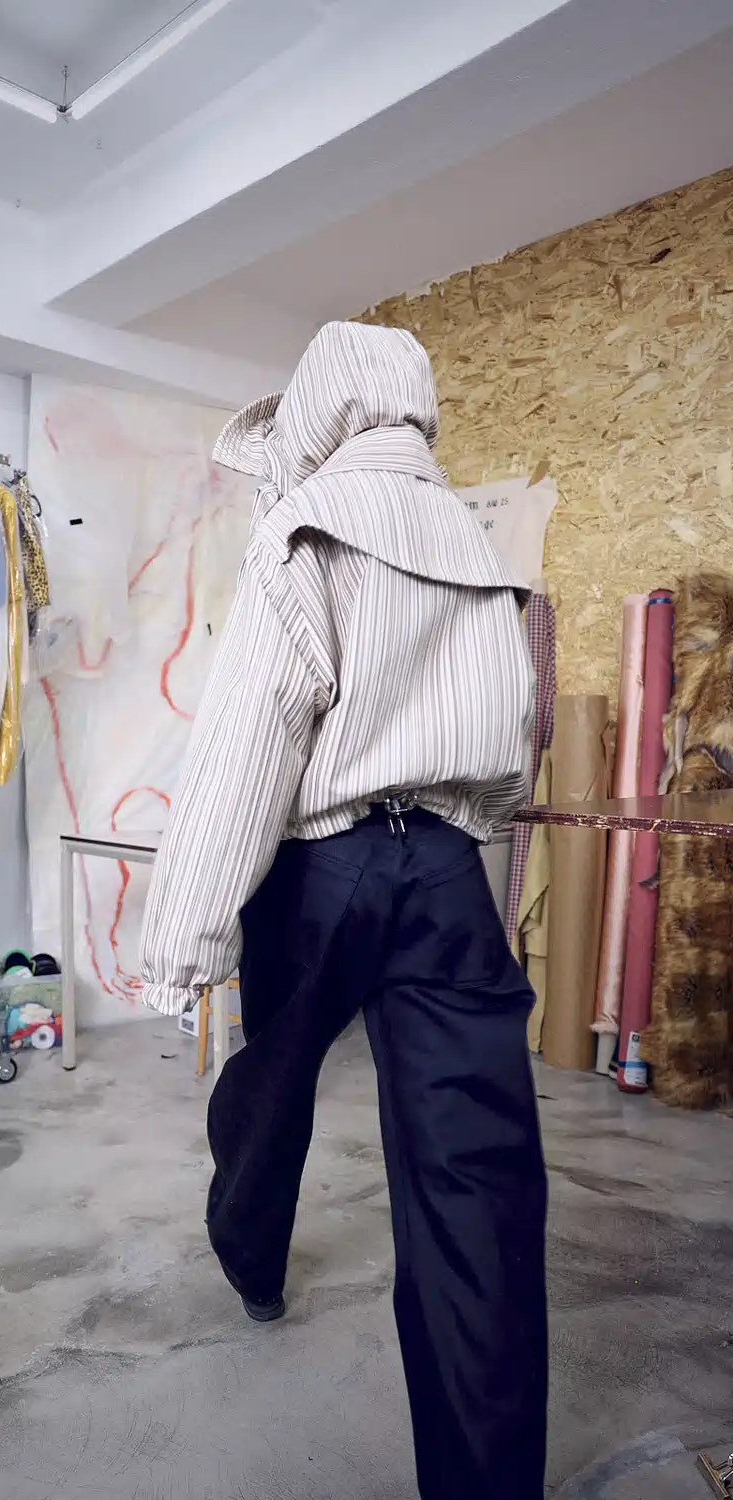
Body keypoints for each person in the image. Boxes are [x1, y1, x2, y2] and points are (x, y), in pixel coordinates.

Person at [139, 320, 547, 1500]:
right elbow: (511, 728)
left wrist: (182, 941)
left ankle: (252, 1262)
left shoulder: (303, 529)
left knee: (268, 1089)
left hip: (323, 870)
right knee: (478, 1181)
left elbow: (247, 748)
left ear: (319, 409)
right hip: (449, 874)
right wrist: (458, 835)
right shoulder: (478, 541)